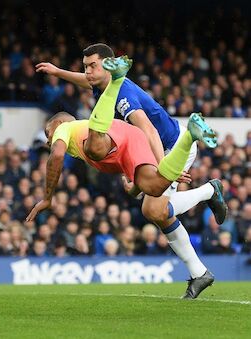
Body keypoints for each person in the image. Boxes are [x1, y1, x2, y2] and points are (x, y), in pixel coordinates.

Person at [37, 45, 228, 293]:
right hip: (151, 148)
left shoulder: (122, 94)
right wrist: (57, 72)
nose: (87, 72)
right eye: (85, 66)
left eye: (92, 66)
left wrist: (163, 168)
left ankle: (209, 194)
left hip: (167, 145)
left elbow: (148, 129)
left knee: (154, 209)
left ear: (108, 65)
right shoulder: (103, 85)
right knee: (154, 210)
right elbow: (86, 82)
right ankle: (199, 271)